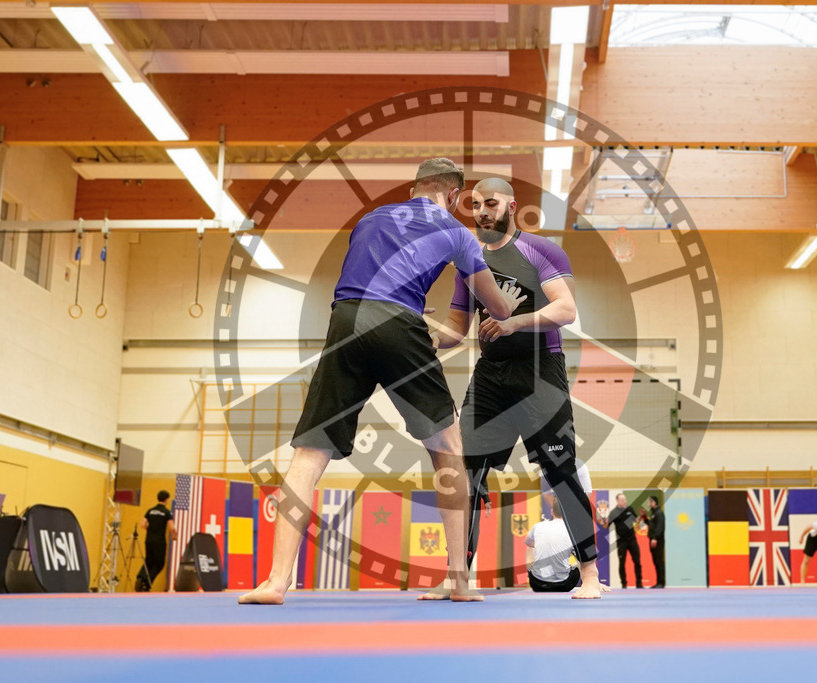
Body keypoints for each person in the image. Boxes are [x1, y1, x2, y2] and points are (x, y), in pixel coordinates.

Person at [240, 159, 520, 605]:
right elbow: (499, 310)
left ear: (415, 188)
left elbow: (371, 274)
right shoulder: (456, 232)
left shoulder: (369, 219)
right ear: (452, 197)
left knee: (309, 455)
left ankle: (275, 581)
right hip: (399, 322)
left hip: (344, 321)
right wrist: (509, 295)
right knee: (448, 449)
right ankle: (459, 579)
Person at [433, 177, 602, 599]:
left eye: (490, 203)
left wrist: (513, 322)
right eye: (474, 204)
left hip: (540, 370)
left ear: (511, 206)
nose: (481, 211)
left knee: (561, 472)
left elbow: (566, 308)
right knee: (463, 472)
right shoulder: (468, 260)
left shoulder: (540, 250)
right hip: (491, 373)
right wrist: (416, 333)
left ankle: (591, 576)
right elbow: (456, 329)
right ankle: (457, 576)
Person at [524, 497, 580, 592]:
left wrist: (542, 546)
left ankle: (532, 572)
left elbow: (528, 542)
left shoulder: (538, 526)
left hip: (537, 584)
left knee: (529, 548)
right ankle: (589, 580)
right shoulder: (573, 529)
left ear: (552, 512)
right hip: (565, 584)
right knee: (580, 555)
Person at [135, 490, 175, 592]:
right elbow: (172, 527)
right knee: (159, 564)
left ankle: (140, 577)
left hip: (149, 540)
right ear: (166, 500)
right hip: (159, 541)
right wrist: (175, 535)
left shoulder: (150, 510)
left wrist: (150, 530)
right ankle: (147, 584)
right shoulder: (166, 512)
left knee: (149, 560)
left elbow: (142, 524)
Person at [599, 493, 642, 588]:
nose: (624, 502)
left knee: (637, 561)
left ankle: (639, 583)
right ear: (618, 501)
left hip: (632, 539)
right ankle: (624, 584)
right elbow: (606, 526)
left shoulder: (630, 509)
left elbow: (636, 521)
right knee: (622, 563)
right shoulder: (614, 512)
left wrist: (640, 518)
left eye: (625, 500)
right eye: (622, 500)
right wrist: (604, 522)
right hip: (621, 541)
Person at [646, 495, 665, 588]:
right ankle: (658, 582)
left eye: (649, 502)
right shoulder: (653, 513)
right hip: (653, 539)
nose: (648, 504)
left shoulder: (659, 513)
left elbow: (659, 527)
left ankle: (661, 582)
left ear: (654, 503)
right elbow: (652, 525)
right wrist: (645, 518)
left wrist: (655, 538)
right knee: (655, 561)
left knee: (659, 561)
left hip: (657, 540)